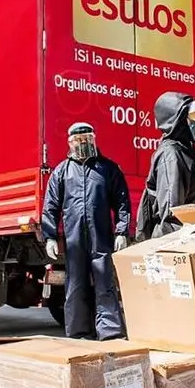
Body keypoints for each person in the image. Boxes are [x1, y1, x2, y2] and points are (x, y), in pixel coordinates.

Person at [42, 123, 131, 341]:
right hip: (74, 240)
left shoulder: (108, 169)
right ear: (70, 143)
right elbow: (51, 205)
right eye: (78, 140)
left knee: (105, 282)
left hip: (101, 236)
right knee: (76, 284)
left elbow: (122, 202)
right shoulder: (61, 172)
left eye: (88, 139)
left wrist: (122, 231)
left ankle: (110, 332)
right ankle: (79, 332)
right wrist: (50, 236)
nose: (83, 143)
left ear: (94, 139)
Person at [136, 92, 195, 240]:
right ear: (179, 121)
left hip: (191, 237)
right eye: (194, 118)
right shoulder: (171, 155)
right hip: (176, 242)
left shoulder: (188, 151)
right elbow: (172, 213)